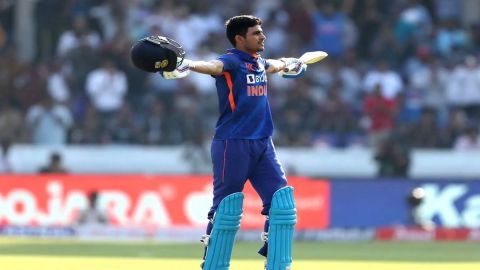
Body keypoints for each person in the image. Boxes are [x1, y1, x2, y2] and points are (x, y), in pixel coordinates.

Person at [131, 15, 312, 270]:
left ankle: (279, 266)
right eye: (256, 33)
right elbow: (213, 66)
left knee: (282, 206)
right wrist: (189, 65)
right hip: (233, 144)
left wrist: (290, 64)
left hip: (262, 143)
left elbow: (271, 65)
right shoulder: (231, 61)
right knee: (226, 211)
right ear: (240, 38)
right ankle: (214, 266)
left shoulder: (257, 62)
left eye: (262, 32)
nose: (263, 36)